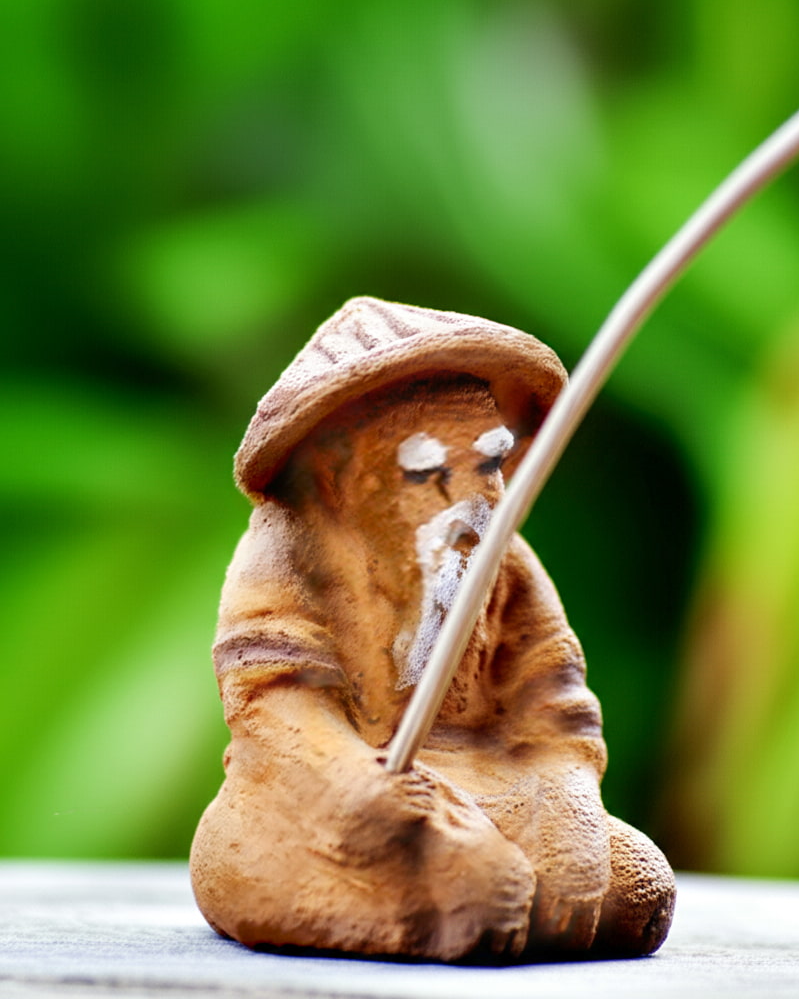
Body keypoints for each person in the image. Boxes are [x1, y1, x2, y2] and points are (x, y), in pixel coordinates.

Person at [190, 297, 676, 961]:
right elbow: (275, 709)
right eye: (426, 473)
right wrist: (368, 788)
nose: (471, 498)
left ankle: (488, 885)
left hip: (493, 783)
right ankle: (438, 912)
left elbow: (554, 708)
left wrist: (566, 804)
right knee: (483, 892)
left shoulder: (502, 556)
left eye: (488, 465)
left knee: (632, 889)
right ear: (339, 478)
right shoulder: (290, 554)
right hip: (331, 802)